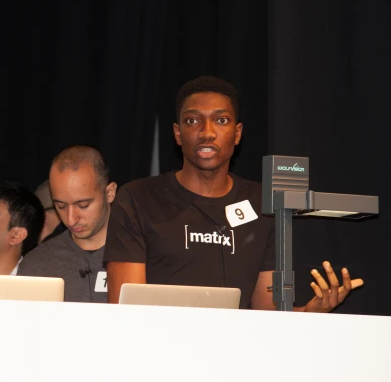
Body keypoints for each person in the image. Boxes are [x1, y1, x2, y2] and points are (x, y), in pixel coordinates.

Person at [104, 76, 363, 311]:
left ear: (237, 133)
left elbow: (266, 311)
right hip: (161, 352)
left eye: (221, 120)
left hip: (239, 354)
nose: (206, 132)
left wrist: (309, 312)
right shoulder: (136, 199)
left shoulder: (265, 202)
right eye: (193, 121)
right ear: (177, 133)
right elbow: (127, 309)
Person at [18, 146, 116, 303]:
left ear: (110, 193)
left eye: (83, 205)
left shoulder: (142, 254)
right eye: (61, 206)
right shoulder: (36, 264)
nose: (71, 219)